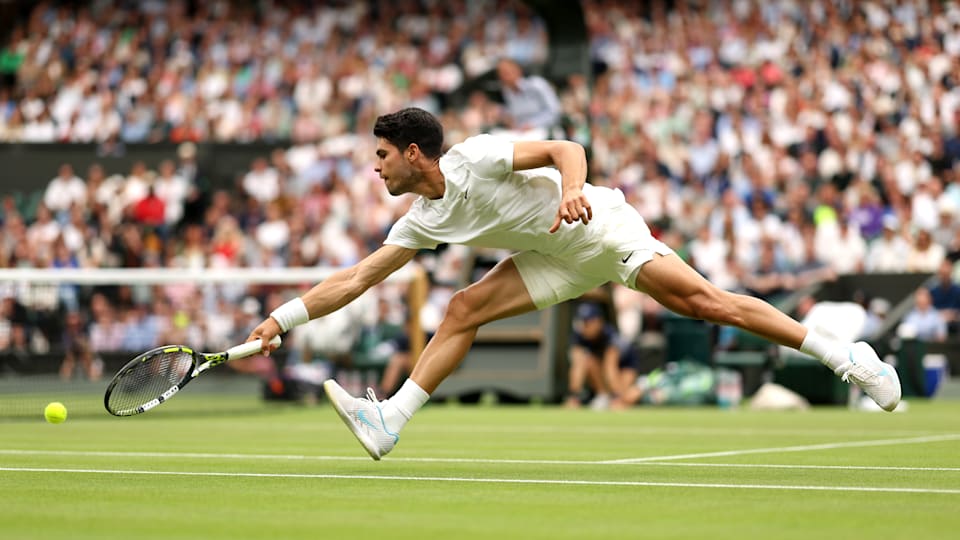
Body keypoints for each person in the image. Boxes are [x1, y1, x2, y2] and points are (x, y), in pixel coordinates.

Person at [246, 107, 901, 461]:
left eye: (382, 155)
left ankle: (846, 358)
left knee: (706, 302)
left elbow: (567, 148)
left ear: (414, 154)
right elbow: (358, 277)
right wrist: (283, 319)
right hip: (552, 255)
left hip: (598, 225)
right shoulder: (423, 217)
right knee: (463, 307)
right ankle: (391, 419)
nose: (375, 167)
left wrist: (571, 194)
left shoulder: (474, 157)